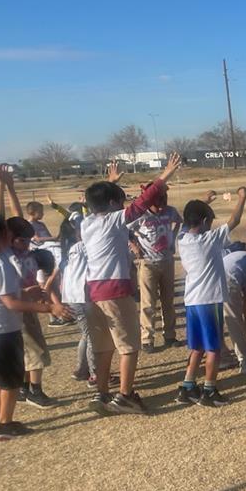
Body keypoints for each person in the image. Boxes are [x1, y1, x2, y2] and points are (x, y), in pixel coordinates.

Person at [81, 154, 182, 414]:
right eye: (119, 199)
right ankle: (125, 396)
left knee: (104, 348)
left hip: (93, 292)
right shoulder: (114, 219)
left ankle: (102, 394)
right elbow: (143, 202)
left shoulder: (86, 222)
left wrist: (108, 182)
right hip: (115, 290)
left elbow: (95, 200)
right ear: (114, 203)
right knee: (129, 347)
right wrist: (165, 175)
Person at [0, 211, 71, 441]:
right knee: (11, 381)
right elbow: (10, 303)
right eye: (5, 233)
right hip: (1, 329)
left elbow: (0, 295)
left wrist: (25, 292)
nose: (9, 237)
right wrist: (50, 309)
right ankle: (4, 424)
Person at [177, 188, 246, 407]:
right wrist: (242, 198)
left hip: (192, 301)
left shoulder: (182, 239)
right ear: (206, 221)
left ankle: (188, 386)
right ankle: (209, 389)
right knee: (213, 348)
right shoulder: (209, 239)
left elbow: (187, 222)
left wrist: (203, 201)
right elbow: (234, 220)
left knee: (197, 347)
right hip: (210, 300)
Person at [128, 187, 183, 352]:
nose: (160, 208)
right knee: (148, 303)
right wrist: (134, 245)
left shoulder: (170, 211)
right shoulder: (140, 215)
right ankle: (147, 339)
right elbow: (125, 230)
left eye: (163, 203)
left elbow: (178, 221)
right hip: (148, 263)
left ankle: (170, 335)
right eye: (157, 205)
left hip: (167, 262)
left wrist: (172, 238)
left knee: (168, 301)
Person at [57, 213, 95, 384]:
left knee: (86, 334)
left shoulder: (66, 249)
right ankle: (95, 374)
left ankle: (81, 369)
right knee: (92, 335)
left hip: (71, 296)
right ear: (75, 232)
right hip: (80, 296)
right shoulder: (82, 247)